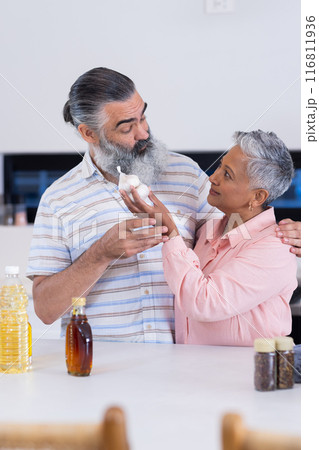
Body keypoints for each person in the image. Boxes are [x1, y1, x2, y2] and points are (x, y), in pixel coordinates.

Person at [26, 67, 301, 344]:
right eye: (127, 127)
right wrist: (101, 253)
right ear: (89, 133)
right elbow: (46, 310)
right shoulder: (58, 199)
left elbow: (237, 235)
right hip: (102, 372)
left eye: (143, 116)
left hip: (185, 369)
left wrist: (289, 235)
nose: (144, 133)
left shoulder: (187, 174)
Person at [121, 130, 297, 345]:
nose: (213, 177)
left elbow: (204, 303)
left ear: (257, 196)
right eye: (221, 166)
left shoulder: (275, 248)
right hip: (192, 368)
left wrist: (170, 230)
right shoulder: (209, 231)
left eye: (227, 174)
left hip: (243, 374)